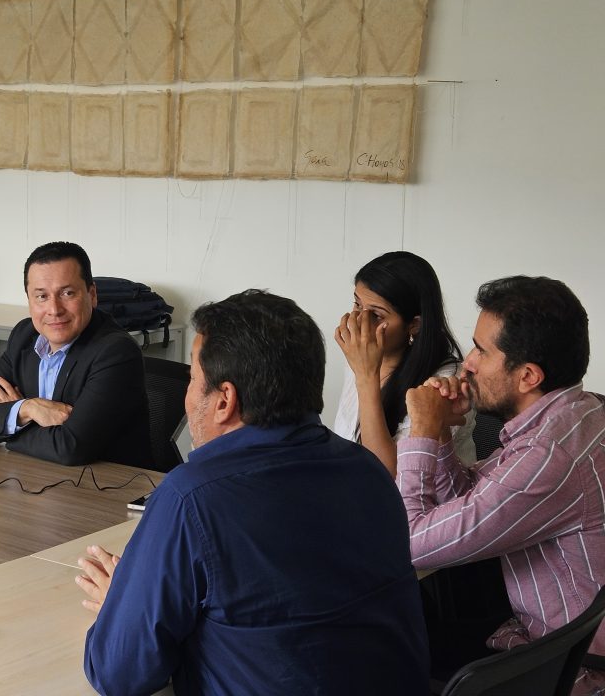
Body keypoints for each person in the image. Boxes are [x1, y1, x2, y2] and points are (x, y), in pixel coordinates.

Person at [77, 290, 429, 695]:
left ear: (224, 400)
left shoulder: (192, 498)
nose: (187, 397)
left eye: (192, 380)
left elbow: (119, 674)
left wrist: (122, 607)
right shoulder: (371, 472)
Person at [400, 276, 605, 696]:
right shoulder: (579, 411)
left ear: (528, 375)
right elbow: (474, 499)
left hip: (569, 666)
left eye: (481, 350)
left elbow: (408, 544)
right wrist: (441, 433)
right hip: (547, 637)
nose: (467, 364)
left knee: (393, 643)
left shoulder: (548, 456)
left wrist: (420, 430)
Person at [0, 241, 152, 468]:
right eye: (41, 296)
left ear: (92, 295)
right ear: (29, 300)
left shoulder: (116, 352)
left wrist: (8, 426)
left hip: (104, 484)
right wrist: (27, 408)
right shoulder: (24, 336)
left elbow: (70, 448)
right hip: (35, 475)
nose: (54, 310)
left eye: (67, 293)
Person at [334, 250, 475, 475]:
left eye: (376, 315)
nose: (359, 321)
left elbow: (389, 477)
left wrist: (366, 377)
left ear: (414, 325)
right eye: (357, 305)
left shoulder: (446, 381)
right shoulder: (360, 356)